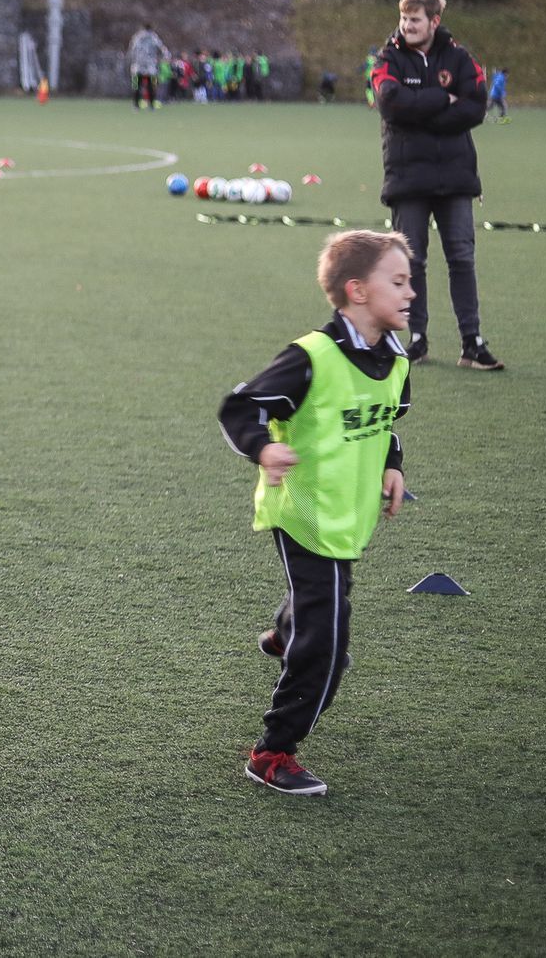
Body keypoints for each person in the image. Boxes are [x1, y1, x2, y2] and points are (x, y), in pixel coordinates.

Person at [219, 229, 414, 796]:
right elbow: (241, 406)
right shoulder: (310, 357)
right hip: (301, 511)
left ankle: (286, 633)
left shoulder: (395, 358)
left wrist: (392, 463)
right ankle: (273, 752)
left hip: (347, 516)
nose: (410, 293)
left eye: (410, 282)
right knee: (327, 646)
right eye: (397, 282)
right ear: (356, 290)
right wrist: (264, 447)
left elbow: (387, 417)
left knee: (313, 619)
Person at [370, 0, 502, 371]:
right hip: (407, 177)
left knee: (462, 257)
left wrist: (419, 113)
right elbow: (390, 104)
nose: (407, 26)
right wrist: (442, 99)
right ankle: (416, 339)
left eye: (415, 20)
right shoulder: (388, 57)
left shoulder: (459, 57)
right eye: (404, 19)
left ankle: (472, 344)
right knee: (411, 263)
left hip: (455, 176)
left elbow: (476, 105)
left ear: (434, 21)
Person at [127, 23, 168, 109]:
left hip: (137, 67)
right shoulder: (154, 37)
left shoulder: (136, 37)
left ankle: (136, 105)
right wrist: (161, 59)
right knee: (152, 86)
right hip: (151, 67)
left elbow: (131, 51)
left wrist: (132, 62)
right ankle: (151, 105)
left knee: (136, 86)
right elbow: (164, 51)